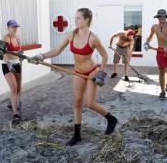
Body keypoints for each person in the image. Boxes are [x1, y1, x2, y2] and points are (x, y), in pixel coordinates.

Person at [32, 8, 118, 146]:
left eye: (78, 18)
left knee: (89, 103)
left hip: (91, 71)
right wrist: (41, 56)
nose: (75, 20)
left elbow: (105, 56)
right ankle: (77, 135)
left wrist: (101, 74)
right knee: (77, 102)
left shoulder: (93, 38)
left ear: (86, 20)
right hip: (78, 72)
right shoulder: (71, 35)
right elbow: (57, 50)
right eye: (75, 18)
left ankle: (111, 118)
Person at [144, 9, 167, 100]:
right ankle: (162, 91)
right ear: (157, 17)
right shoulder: (154, 27)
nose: (161, 18)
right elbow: (150, 36)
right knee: (161, 71)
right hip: (160, 51)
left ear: (166, 16)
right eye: (159, 16)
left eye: (163, 16)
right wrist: (146, 43)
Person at [2, 20, 22, 123]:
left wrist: (21, 53)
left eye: (16, 27)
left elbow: (19, 50)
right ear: (8, 28)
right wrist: (7, 60)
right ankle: (15, 114)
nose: (15, 29)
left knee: (18, 88)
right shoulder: (6, 38)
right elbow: (3, 52)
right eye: (13, 27)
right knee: (14, 88)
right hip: (7, 65)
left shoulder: (17, 37)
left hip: (16, 64)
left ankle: (11, 103)